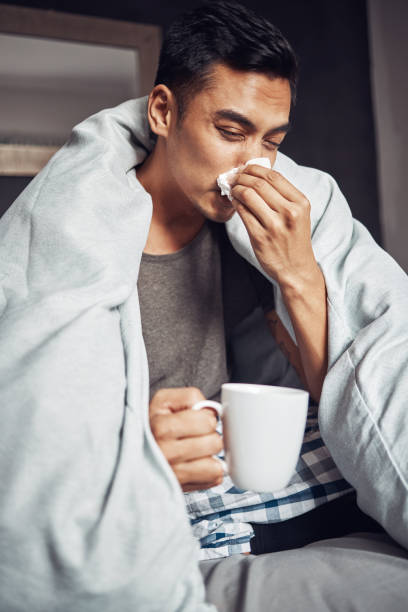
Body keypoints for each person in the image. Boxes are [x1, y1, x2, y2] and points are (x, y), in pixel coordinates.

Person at [0, 2, 407, 611]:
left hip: (240, 477)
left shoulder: (257, 235)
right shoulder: (80, 235)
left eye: (273, 140)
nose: (253, 164)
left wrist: (298, 274)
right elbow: (43, 419)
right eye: (231, 131)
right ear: (163, 112)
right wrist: (130, 451)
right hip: (147, 472)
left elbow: (353, 401)